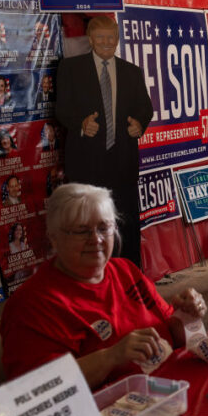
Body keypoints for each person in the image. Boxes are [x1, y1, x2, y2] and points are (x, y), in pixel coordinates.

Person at [0, 183, 208, 388]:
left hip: (168, 391)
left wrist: (186, 315)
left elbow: (172, 336)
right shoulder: (31, 305)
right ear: (54, 239)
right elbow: (34, 390)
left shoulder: (125, 271)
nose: (96, 239)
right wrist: (111, 356)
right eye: (81, 231)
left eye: (103, 228)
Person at [56, 16, 153, 268]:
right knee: (88, 226)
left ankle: (130, 279)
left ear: (118, 39)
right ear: (90, 40)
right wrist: (81, 123)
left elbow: (146, 108)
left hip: (123, 163)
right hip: (86, 165)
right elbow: (61, 110)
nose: (106, 43)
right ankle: (91, 282)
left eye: (111, 37)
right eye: (100, 38)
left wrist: (139, 124)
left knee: (126, 224)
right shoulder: (70, 69)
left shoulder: (132, 71)